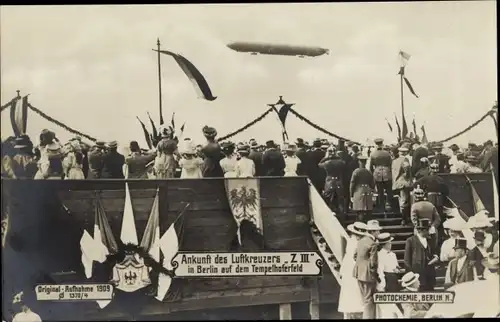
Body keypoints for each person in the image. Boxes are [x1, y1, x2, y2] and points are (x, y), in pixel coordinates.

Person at [353, 219, 382, 319]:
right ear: (373, 232)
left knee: (365, 300)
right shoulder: (373, 243)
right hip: (368, 275)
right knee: (369, 301)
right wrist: (376, 277)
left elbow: (355, 256)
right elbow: (373, 263)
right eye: (378, 231)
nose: (379, 232)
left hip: (358, 273)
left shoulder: (361, 241)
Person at [338, 222, 366, 319]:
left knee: (350, 294)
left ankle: (351, 313)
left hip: (349, 270)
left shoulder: (351, 241)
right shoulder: (355, 243)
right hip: (353, 271)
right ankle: (355, 312)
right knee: (355, 292)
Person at [404, 218, 439, 291]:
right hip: (418, 276)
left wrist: (435, 258)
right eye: (427, 230)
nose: (429, 232)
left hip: (429, 275)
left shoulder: (430, 240)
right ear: (421, 230)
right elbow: (407, 260)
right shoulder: (410, 241)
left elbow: (433, 253)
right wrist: (411, 276)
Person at [319, 148, 347, 215]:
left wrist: (326, 157)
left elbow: (319, 164)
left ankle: (329, 213)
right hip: (338, 181)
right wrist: (337, 156)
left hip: (329, 181)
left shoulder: (327, 163)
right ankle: (341, 214)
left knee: (328, 198)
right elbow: (344, 163)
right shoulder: (341, 162)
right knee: (340, 199)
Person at [369, 138, 393, 212]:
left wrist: (374, 173)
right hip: (387, 173)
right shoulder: (387, 153)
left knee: (380, 191)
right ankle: (389, 205)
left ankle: (381, 207)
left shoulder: (373, 154)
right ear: (382, 144)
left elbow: (371, 166)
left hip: (377, 173)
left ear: (376, 145)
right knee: (389, 190)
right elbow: (390, 164)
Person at [349, 155, 375, 222]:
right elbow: (372, 184)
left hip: (359, 191)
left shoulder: (356, 171)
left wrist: (351, 194)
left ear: (359, 162)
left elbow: (352, 183)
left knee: (360, 210)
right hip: (368, 191)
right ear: (365, 162)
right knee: (368, 211)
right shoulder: (368, 172)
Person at [392, 144, 413, 225]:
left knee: (401, 200)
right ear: (405, 153)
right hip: (404, 182)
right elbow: (407, 170)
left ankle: (403, 217)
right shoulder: (405, 160)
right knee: (404, 201)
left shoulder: (394, 161)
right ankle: (404, 219)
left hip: (396, 183)